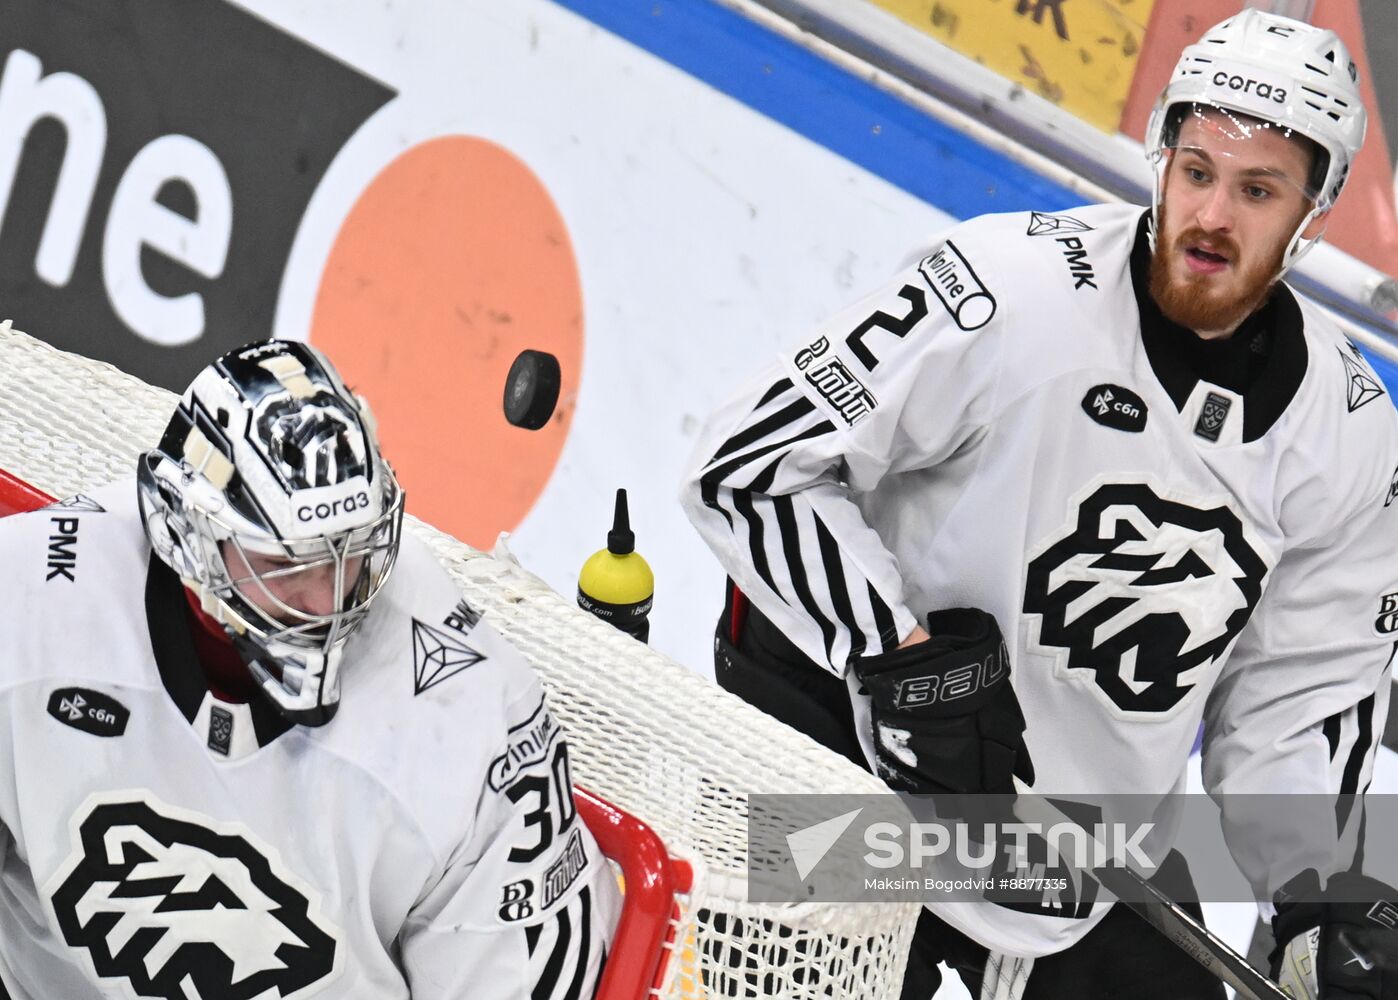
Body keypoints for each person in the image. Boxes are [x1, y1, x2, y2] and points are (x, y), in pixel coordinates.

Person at [682, 9, 1398, 999]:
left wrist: (1324, 892)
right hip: (852, 795)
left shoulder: (1350, 435)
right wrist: (894, 656)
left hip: (1073, 870)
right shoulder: (1010, 289)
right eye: (1196, 171)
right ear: (1162, 158)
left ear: (1312, 212)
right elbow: (743, 461)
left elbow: (1295, 704)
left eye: (1257, 189)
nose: (1212, 216)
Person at [0, 340, 619, 998]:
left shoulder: (476, 722)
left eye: (346, 555)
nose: (327, 602)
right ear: (190, 538)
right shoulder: (26, 605)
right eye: (286, 567)